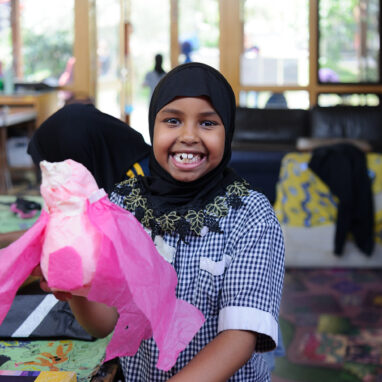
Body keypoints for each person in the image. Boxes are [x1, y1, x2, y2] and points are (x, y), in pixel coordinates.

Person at [37, 62, 285, 381]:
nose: (189, 136)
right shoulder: (123, 204)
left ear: (229, 132)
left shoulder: (250, 216)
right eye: (172, 120)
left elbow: (240, 338)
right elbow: (107, 321)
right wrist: (77, 287)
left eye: (208, 123)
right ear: (153, 127)